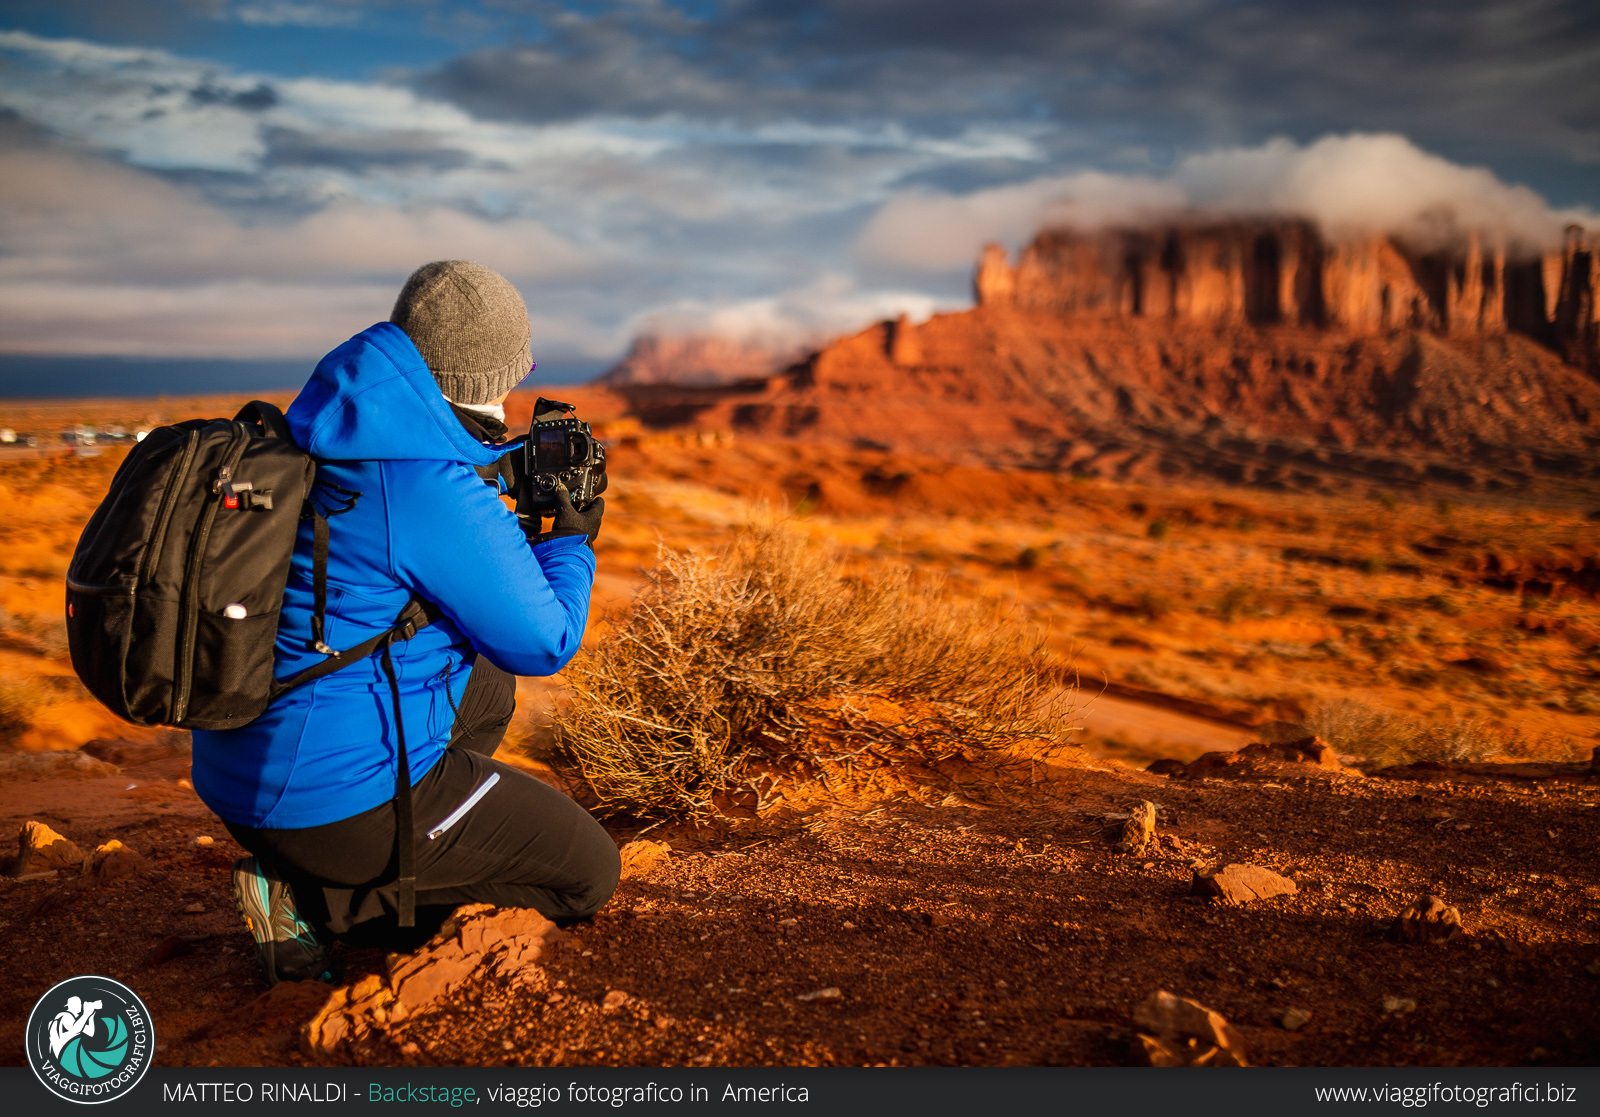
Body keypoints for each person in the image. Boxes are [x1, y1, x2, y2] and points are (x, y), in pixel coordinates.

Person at [189, 260, 620, 985]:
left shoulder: (328, 427)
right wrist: (571, 539)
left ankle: (381, 841)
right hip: (330, 806)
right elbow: (544, 640)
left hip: (239, 773)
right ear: (492, 375)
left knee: (483, 683)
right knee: (587, 874)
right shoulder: (427, 488)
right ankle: (323, 904)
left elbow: (407, 519)